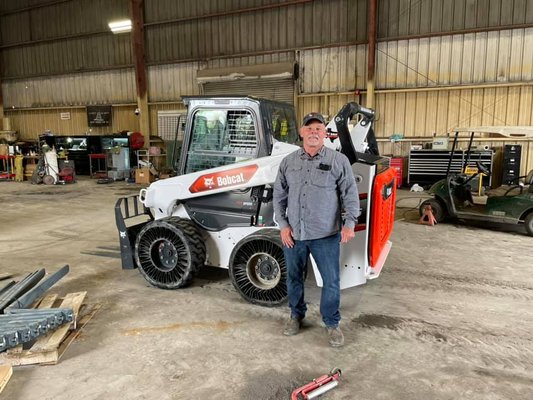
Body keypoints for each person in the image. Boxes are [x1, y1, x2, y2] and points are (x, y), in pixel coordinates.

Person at [273, 112, 360, 348]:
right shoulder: (288, 162)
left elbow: (350, 194)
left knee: (331, 281)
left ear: (325, 133)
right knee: (293, 278)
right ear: (301, 132)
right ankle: (296, 316)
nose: (313, 132)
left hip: (326, 236)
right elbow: (278, 197)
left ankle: (331, 323)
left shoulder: (337, 161)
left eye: (318, 128)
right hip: (294, 235)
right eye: (309, 128)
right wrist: (283, 226)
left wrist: (349, 224)